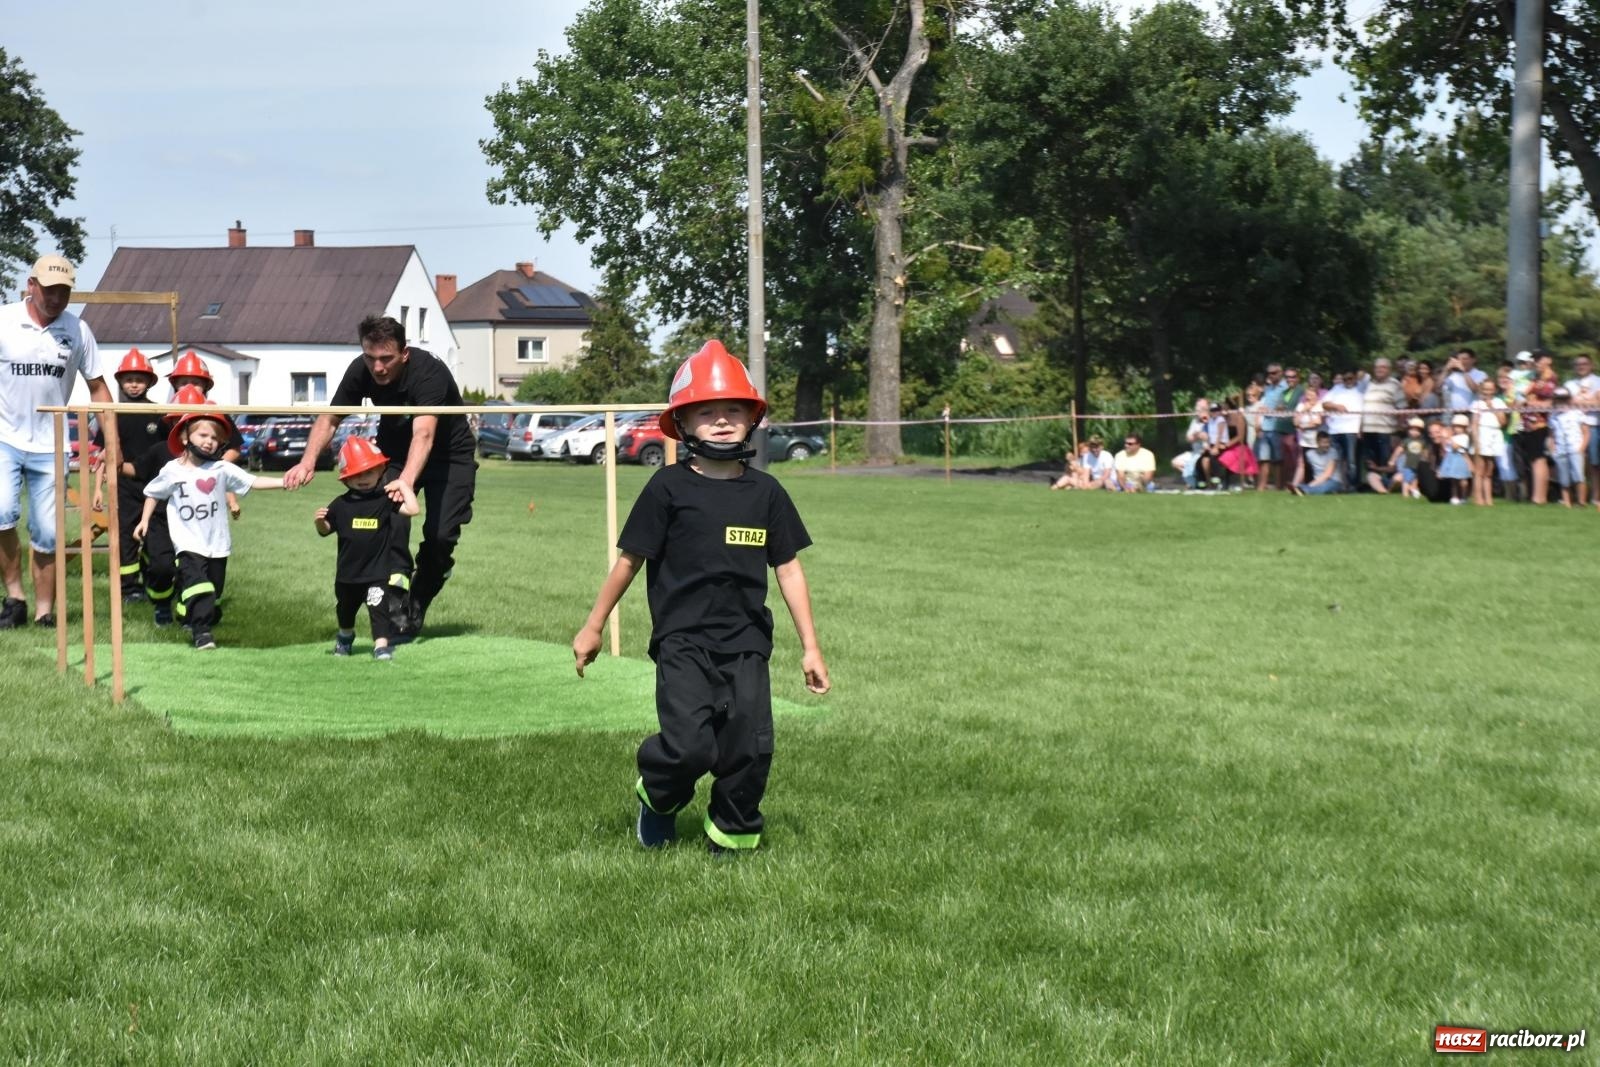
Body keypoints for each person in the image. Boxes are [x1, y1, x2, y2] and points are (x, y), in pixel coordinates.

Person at [572, 340, 829, 854]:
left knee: (750, 749)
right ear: (683, 423)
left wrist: (811, 646)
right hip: (682, 641)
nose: (720, 420)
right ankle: (659, 794)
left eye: (733, 409)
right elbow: (629, 561)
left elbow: (789, 569)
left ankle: (731, 840)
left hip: (747, 643)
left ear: (751, 419)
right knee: (691, 746)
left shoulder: (767, 493)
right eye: (706, 411)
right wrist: (594, 625)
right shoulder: (667, 488)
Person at [284, 314, 476, 641]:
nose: (378, 367)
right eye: (371, 358)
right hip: (395, 454)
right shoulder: (362, 369)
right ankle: (397, 603)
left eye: (386, 359)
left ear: (405, 354)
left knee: (441, 535)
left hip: (449, 456)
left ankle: (421, 593)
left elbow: (425, 433)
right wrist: (307, 461)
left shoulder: (429, 373)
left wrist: (406, 481)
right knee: (390, 522)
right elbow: (330, 418)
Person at [0, 254, 114, 629]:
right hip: (4, 437)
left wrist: (112, 444)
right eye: (49, 290)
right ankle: (15, 597)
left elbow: (98, 387)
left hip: (52, 445)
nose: (56, 298)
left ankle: (44, 612)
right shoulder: (4, 322)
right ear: (31, 286)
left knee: (48, 534)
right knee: (1, 515)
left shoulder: (77, 330)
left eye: (64, 291)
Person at [134, 403, 285, 649]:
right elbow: (153, 493)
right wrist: (144, 520)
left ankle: (200, 615)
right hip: (188, 542)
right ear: (185, 437)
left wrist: (284, 482)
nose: (209, 442)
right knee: (199, 586)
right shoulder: (172, 470)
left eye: (215, 438)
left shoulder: (221, 469)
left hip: (217, 543)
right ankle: (202, 633)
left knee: (213, 590)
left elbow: (253, 482)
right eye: (203, 435)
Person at [314, 436, 420, 660]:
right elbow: (325, 530)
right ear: (346, 478)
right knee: (345, 611)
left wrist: (403, 485)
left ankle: (381, 646)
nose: (363, 479)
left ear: (380, 470)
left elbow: (413, 509)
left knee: (378, 611)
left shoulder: (384, 500)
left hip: (376, 574)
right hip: (347, 575)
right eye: (356, 475)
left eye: (369, 472)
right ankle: (345, 637)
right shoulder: (341, 504)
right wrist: (320, 522)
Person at [92, 349, 166, 603]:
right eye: (128, 379)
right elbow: (104, 453)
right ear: (120, 382)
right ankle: (128, 587)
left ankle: (151, 576)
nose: (134, 384)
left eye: (140, 379)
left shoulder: (160, 414)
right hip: (124, 484)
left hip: (155, 486)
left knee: (155, 532)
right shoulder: (112, 414)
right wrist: (98, 489)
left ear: (150, 382)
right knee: (125, 535)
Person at [1561, 354, 1600, 503]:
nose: (1581, 366)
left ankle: (1596, 497)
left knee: (1595, 464)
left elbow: (1598, 403)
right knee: (1576, 463)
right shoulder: (1569, 383)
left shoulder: (1598, 381)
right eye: (1578, 364)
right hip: (1573, 428)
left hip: (1593, 425)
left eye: (1584, 363)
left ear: (1591, 365)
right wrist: (1589, 400)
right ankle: (1577, 498)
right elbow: (1565, 403)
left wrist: (1579, 400)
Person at [1547, 387, 1589, 508]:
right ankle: (1567, 502)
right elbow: (1551, 435)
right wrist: (1552, 449)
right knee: (1564, 478)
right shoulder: (1553, 416)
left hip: (1575, 448)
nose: (1561, 402)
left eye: (1564, 399)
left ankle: (1581, 502)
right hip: (1560, 450)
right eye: (1558, 400)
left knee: (1578, 476)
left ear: (1569, 400)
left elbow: (1586, 432)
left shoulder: (1577, 413)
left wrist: (1581, 448)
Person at [1291, 431, 1344, 495]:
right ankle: (1299, 488)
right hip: (1318, 481)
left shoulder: (1333, 452)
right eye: (1324, 442)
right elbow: (1302, 467)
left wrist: (1310, 485)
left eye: (1328, 442)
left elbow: (1327, 474)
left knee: (1323, 488)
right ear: (1317, 442)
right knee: (1303, 486)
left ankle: (1304, 491)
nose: (1327, 445)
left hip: (1333, 480)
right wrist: (1295, 483)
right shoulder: (1310, 454)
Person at [1387, 417, 1429, 498]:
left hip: (1418, 465)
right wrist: (1392, 460)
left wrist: (1426, 460)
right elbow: (1398, 450)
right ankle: (1405, 493)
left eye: (1417, 430)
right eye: (1412, 429)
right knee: (1406, 480)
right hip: (1408, 464)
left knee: (1415, 480)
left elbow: (1425, 453)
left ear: (1421, 432)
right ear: (1408, 430)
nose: (1414, 432)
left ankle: (1413, 491)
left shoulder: (1423, 442)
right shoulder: (1406, 441)